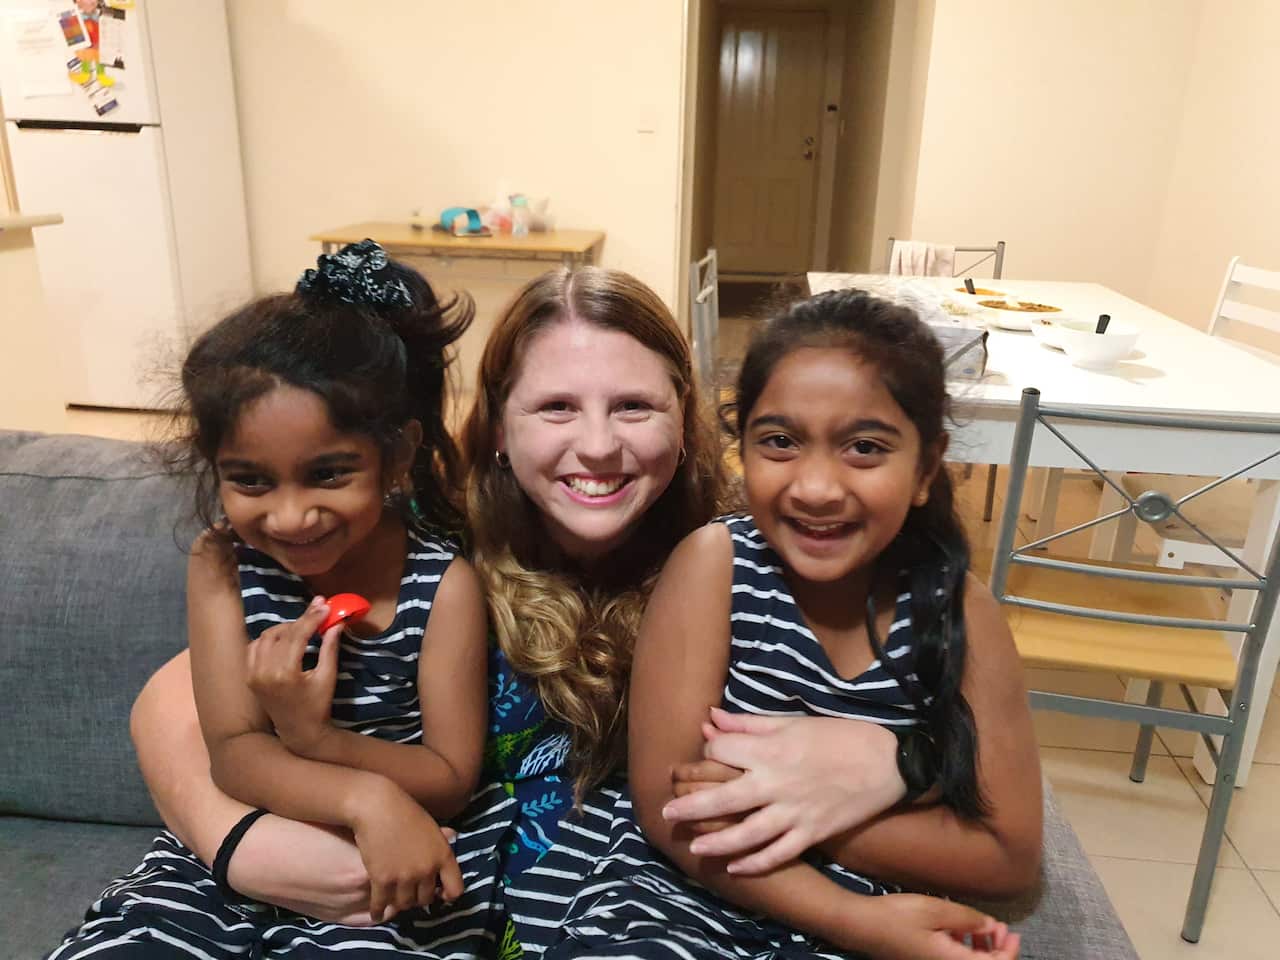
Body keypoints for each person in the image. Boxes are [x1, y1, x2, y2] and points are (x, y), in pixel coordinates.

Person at [505, 289, 1042, 959]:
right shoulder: (716, 567)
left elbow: (1008, 856)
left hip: (884, 918)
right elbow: (670, 803)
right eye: (781, 442)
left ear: (927, 465)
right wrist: (850, 909)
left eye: (865, 447)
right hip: (680, 907)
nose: (816, 486)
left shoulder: (961, 613)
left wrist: (799, 808)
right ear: (742, 445)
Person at [47, 240, 492, 958]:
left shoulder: (442, 586)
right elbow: (231, 753)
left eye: (328, 473)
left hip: (392, 868)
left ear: (399, 455)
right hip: (234, 858)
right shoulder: (222, 563)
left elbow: (448, 780)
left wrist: (317, 741)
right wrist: (361, 793)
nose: (289, 517)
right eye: (251, 480)